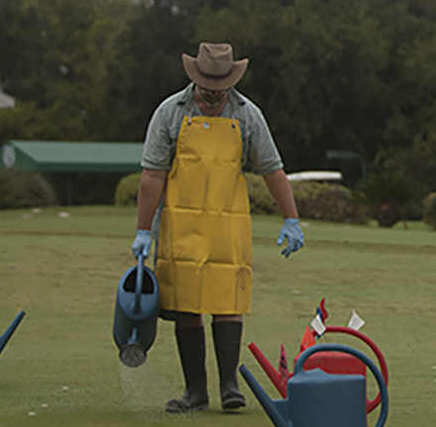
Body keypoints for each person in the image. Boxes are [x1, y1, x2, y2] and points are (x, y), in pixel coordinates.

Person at [131, 43, 306, 413]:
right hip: (180, 223)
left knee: (227, 299)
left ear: (231, 82)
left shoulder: (248, 115)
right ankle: (196, 390)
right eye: (206, 86)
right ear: (195, 79)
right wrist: (143, 229)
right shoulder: (170, 113)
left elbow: (272, 169)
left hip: (228, 222)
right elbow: (152, 175)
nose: (213, 94)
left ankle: (230, 385)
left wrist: (291, 217)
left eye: (219, 88)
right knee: (185, 304)